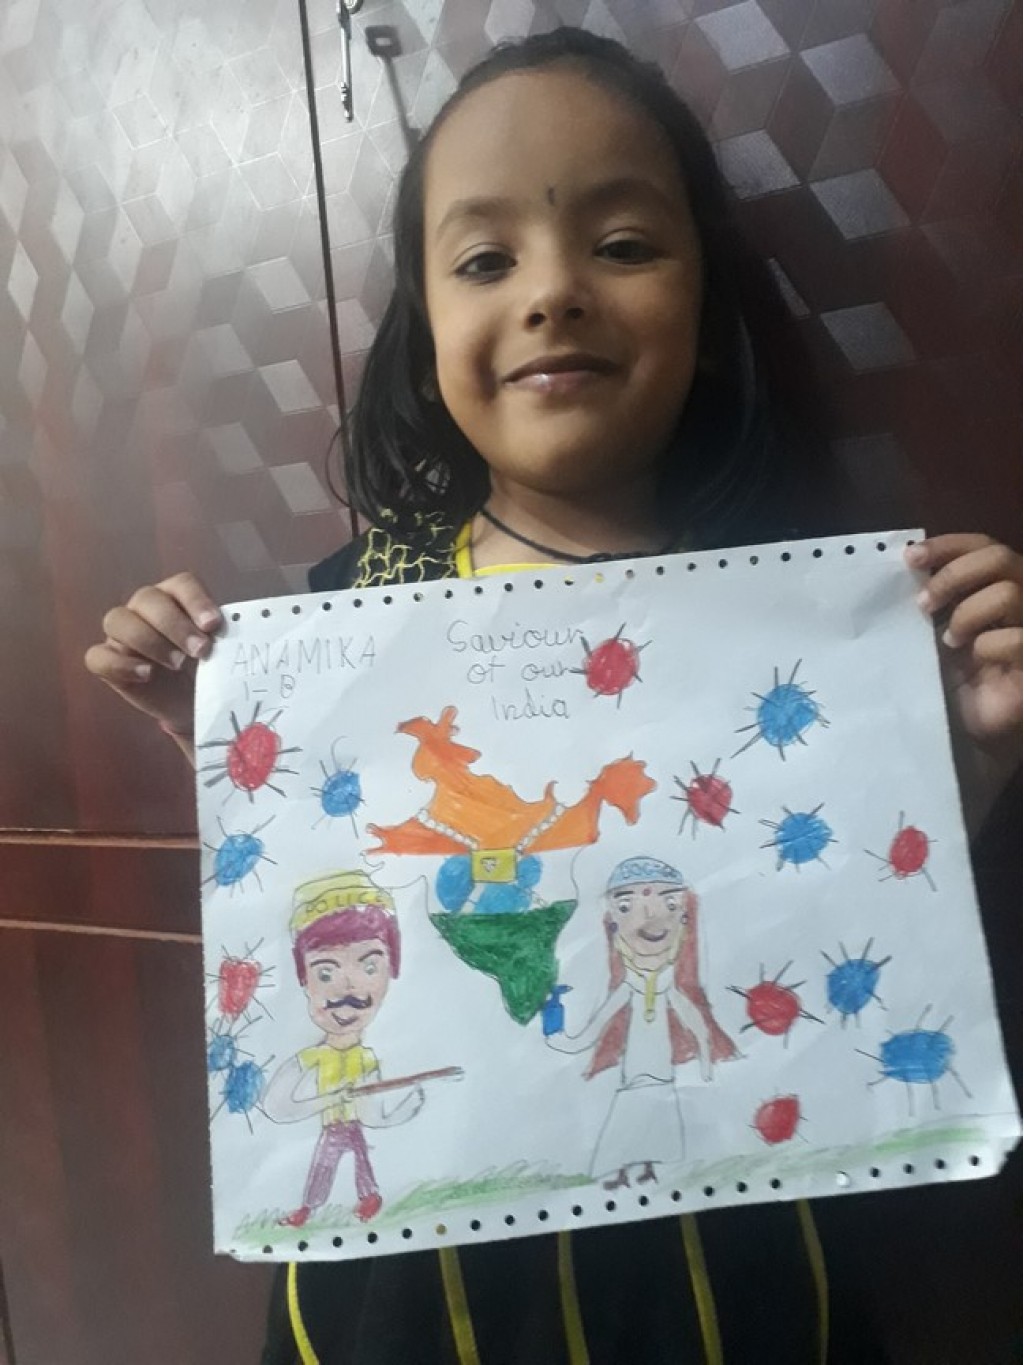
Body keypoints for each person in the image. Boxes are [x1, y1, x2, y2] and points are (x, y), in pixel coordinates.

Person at [84, 26, 1021, 1365]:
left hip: (733, 1273)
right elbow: (327, 927)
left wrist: (960, 772)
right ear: (424, 339)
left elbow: (827, 931)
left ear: (704, 314)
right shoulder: (345, 617)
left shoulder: (810, 629)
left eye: (622, 245)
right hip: (415, 1296)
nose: (553, 294)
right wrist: (232, 747)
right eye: (485, 260)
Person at [545, 857, 736, 1190]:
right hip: (634, 1075)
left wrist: (705, 1056)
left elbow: (692, 1019)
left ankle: (647, 1167)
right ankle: (620, 1170)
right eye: (627, 906)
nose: (652, 918)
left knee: (656, 1116)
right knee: (629, 1114)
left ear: (684, 918)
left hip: (660, 1074)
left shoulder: (666, 982)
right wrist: (555, 1028)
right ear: (613, 923)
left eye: (670, 904)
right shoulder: (629, 986)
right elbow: (592, 1031)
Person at [262, 871, 425, 1229]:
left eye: (369, 966)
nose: (348, 987)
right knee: (325, 1162)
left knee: (359, 1157)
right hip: (333, 1123)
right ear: (304, 980)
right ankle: (309, 1207)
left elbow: (374, 1112)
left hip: (350, 1123)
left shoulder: (366, 1058)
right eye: (325, 973)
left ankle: (367, 1197)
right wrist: (328, 1100)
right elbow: (277, 1106)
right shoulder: (312, 1057)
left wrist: (406, 1104)